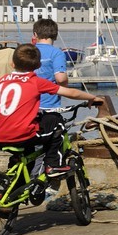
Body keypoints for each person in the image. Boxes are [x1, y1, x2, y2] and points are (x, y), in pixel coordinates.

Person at [0, 44, 109, 177]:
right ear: (39, 65)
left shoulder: (2, 81)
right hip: (22, 136)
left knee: (28, 155)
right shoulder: (35, 81)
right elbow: (70, 92)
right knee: (57, 121)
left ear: (12, 63)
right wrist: (92, 97)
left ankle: (12, 181)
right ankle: (53, 165)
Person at [30, 18, 72, 170]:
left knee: (33, 148)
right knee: (52, 146)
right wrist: (65, 86)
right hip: (49, 107)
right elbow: (60, 78)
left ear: (35, 34)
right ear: (55, 35)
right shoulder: (57, 53)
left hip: (28, 107)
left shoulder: (28, 51)